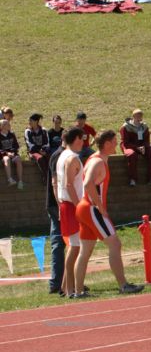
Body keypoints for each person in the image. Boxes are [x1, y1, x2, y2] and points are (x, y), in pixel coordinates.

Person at [74, 129, 144, 297]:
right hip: (91, 208)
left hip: (84, 208)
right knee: (115, 244)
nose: (116, 144)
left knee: (85, 250)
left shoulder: (95, 159)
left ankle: (78, 291)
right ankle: (123, 285)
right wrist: (99, 206)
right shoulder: (98, 162)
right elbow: (88, 184)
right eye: (114, 141)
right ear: (106, 144)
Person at [55, 127, 85, 297]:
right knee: (75, 247)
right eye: (82, 139)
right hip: (71, 205)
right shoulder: (72, 158)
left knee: (73, 247)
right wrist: (79, 206)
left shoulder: (63, 155)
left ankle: (66, 287)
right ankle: (70, 290)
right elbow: (68, 184)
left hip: (66, 204)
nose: (84, 142)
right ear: (77, 139)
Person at [45, 134, 67, 295]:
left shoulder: (64, 154)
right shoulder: (58, 155)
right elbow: (55, 182)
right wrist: (60, 205)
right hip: (57, 205)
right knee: (59, 244)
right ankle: (57, 283)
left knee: (68, 243)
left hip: (61, 204)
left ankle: (66, 281)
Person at [120, 109, 151, 186]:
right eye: (137, 116)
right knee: (132, 155)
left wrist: (144, 147)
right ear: (133, 116)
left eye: (140, 116)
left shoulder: (144, 126)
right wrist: (136, 148)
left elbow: (147, 140)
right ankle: (133, 179)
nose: (139, 117)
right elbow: (125, 142)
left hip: (141, 146)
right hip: (129, 146)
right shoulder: (126, 127)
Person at [24, 113, 51, 183]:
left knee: (49, 157)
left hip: (43, 150)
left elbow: (47, 143)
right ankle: (45, 177)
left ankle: (52, 176)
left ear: (36, 121)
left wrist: (44, 150)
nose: (29, 122)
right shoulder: (28, 131)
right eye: (29, 121)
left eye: (31, 121)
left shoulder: (44, 130)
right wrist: (39, 151)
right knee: (40, 158)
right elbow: (30, 144)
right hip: (33, 152)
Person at [0, 119, 23, 189]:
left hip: (13, 154)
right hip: (3, 155)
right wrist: (7, 153)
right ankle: (10, 179)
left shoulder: (12, 134)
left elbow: (16, 145)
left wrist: (13, 152)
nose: (9, 125)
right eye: (7, 124)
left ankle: (20, 181)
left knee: (18, 159)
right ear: (2, 126)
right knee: (6, 159)